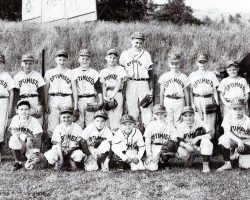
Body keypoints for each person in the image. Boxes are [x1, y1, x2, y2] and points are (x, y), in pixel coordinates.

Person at [119, 31, 154, 126]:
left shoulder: (146, 54)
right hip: (130, 83)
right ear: (131, 41)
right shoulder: (124, 54)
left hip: (143, 82)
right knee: (132, 108)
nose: (138, 45)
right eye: (136, 42)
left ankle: (147, 130)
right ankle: (134, 129)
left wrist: (151, 89)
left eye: (141, 43)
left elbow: (151, 73)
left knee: (146, 107)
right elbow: (120, 73)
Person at [45, 49, 75, 136]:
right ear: (56, 60)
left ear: (67, 60)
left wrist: (75, 104)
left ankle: (66, 144)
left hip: (66, 98)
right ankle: (53, 144)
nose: (62, 62)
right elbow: (46, 89)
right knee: (52, 124)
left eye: (64, 60)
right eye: (60, 60)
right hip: (53, 98)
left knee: (66, 122)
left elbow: (74, 90)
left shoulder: (71, 72)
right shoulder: (49, 72)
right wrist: (46, 103)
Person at [176, 106, 214, 173]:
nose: (188, 118)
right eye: (185, 116)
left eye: (190, 115)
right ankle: (190, 157)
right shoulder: (180, 126)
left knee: (206, 141)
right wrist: (185, 145)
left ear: (194, 114)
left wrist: (198, 137)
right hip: (188, 147)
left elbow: (210, 134)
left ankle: (205, 165)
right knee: (178, 151)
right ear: (182, 117)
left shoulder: (200, 122)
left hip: (200, 146)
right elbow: (179, 140)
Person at [189, 54, 219, 136]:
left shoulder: (211, 74)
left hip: (208, 98)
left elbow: (214, 89)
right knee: (198, 120)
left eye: (204, 62)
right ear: (196, 63)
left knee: (210, 121)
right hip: (197, 98)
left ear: (207, 63)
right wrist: (192, 103)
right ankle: (198, 141)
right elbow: (190, 90)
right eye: (200, 62)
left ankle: (210, 140)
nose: (202, 64)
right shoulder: (192, 75)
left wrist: (217, 101)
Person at [72, 49, 103, 128]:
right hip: (79, 99)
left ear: (90, 60)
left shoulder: (94, 73)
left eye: (87, 59)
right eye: (82, 58)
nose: (84, 61)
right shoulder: (73, 72)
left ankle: (89, 139)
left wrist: (101, 101)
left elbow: (98, 88)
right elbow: (73, 89)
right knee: (79, 122)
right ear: (79, 59)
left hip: (91, 99)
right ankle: (78, 139)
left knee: (90, 122)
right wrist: (75, 104)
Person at [8, 100, 43, 170]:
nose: (24, 111)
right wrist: (27, 138)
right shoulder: (15, 118)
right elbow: (14, 132)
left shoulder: (34, 120)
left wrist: (36, 151)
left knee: (32, 165)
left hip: (31, 145)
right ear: (17, 111)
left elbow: (38, 136)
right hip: (21, 143)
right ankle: (18, 162)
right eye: (21, 109)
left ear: (29, 111)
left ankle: (26, 157)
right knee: (13, 138)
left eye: (26, 109)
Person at [217, 100, 250, 171]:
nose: (237, 112)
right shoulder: (228, 117)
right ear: (231, 109)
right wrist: (238, 141)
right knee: (223, 139)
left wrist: (246, 146)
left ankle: (238, 154)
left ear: (244, 108)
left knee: (245, 166)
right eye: (235, 109)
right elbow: (227, 132)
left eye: (240, 109)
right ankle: (227, 164)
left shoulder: (248, 120)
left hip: (245, 142)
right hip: (235, 140)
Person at [144, 104, 178, 171]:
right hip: (155, 146)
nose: (160, 116)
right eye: (157, 114)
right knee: (152, 168)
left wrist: (169, 146)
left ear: (165, 114)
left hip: (166, 148)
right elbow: (147, 141)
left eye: (162, 113)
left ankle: (166, 161)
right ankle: (159, 162)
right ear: (153, 115)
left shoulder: (170, 124)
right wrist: (149, 155)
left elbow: (175, 139)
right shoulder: (150, 125)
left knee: (170, 146)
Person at [14, 54, 46, 125]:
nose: (28, 66)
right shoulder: (17, 76)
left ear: (33, 64)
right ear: (21, 63)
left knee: (37, 124)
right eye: (26, 63)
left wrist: (41, 105)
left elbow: (42, 92)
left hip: (35, 100)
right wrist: (16, 106)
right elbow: (16, 94)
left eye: (30, 64)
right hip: (22, 100)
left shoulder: (37, 75)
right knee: (23, 124)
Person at [100, 49, 127, 132]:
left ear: (117, 59)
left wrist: (112, 96)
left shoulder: (120, 69)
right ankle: (110, 134)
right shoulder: (103, 71)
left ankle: (116, 134)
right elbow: (103, 85)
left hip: (117, 93)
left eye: (114, 58)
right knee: (109, 115)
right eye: (110, 57)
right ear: (106, 58)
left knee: (117, 114)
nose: (112, 60)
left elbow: (119, 83)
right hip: (108, 93)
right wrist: (104, 97)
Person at [158, 53, 190, 125]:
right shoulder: (164, 76)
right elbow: (161, 91)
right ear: (169, 64)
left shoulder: (183, 76)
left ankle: (177, 136)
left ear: (179, 64)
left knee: (178, 121)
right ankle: (169, 136)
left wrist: (187, 105)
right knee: (168, 121)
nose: (174, 66)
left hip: (179, 100)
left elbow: (186, 92)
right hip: (168, 100)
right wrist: (161, 103)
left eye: (176, 64)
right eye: (172, 64)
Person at [0, 53, 15, 161]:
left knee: (1, 126)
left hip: (3, 100)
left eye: (0, 63)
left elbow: (11, 92)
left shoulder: (6, 76)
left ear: (3, 64)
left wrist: (10, 107)